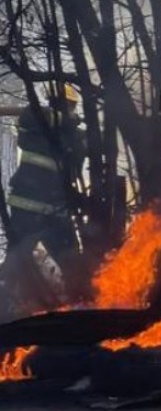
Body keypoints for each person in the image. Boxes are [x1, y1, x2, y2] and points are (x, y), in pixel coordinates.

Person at [5, 84, 86, 299]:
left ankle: (78, 302)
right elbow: (30, 117)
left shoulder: (72, 135)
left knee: (69, 258)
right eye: (70, 107)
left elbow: (77, 158)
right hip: (28, 205)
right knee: (17, 258)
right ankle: (4, 304)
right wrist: (66, 121)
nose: (72, 111)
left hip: (55, 209)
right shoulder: (37, 119)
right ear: (60, 103)